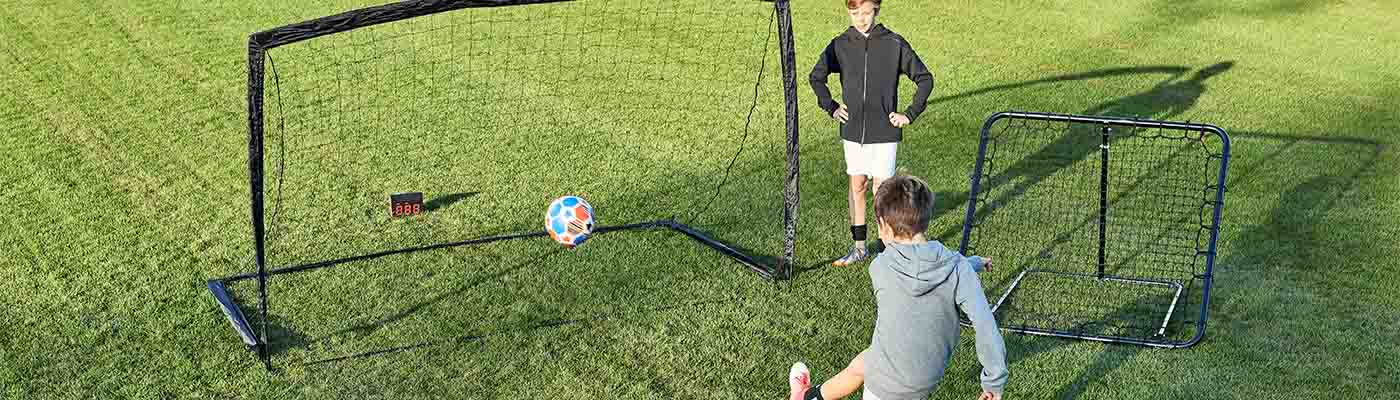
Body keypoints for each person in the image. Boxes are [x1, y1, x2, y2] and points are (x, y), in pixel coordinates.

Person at [787, 175, 1009, 400]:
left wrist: (968, 265)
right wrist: (993, 384)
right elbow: (985, 324)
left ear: (884, 226)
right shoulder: (958, 268)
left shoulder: (881, 267)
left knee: (872, 365)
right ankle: (807, 397)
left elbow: (922, 265)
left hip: (887, 384)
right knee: (861, 365)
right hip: (924, 374)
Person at [810, 0, 935, 266]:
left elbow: (925, 79)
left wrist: (909, 114)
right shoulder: (839, 45)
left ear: (876, 10)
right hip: (852, 130)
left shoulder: (894, 43)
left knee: (882, 190)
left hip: (885, 132)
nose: (861, 19)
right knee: (857, 185)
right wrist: (831, 107)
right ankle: (859, 248)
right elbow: (816, 77)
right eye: (855, 13)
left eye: (866, 12)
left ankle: (885, 248)